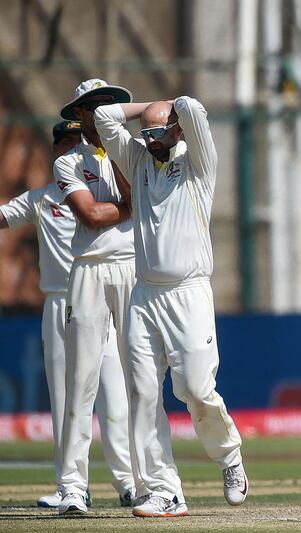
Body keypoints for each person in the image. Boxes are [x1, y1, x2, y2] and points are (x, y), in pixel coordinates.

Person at [95, 96, 247, 517]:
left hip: (189, 293)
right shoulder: (139, 161)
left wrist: (173, 106)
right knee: (142, 393)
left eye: (156, 133)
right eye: (143, 134)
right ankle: (163, 489)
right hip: (144, 295)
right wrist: (148, 111)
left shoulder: (198, 165)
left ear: (176, 130)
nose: (148, 141)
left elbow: (196, 111)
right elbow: (105, 117)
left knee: (196, 390)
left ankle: (229, 459)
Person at [0, 121, 135, 509]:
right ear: (56, 150)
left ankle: (128, 481)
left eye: (77, 143)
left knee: (114, 392)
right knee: (66, 396)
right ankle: (71, 486)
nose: (71, 150)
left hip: (100, 295)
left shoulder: (108, 194)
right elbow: (5, 216)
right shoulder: (42, 198)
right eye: (64, 143)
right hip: (59, 302)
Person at [53, 79, 139, 516]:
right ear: (81, 113)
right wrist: (131, 204)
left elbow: (134, 193)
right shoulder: (68, 162)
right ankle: (73, 485)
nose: (104, 111)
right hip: (88, 270)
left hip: (131, 268)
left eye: (110, 105)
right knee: (81, 380)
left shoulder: (131, 150)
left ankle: (144, 482)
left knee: (139, 376)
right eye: (95, 106)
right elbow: (90, 215)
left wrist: (119, 153)